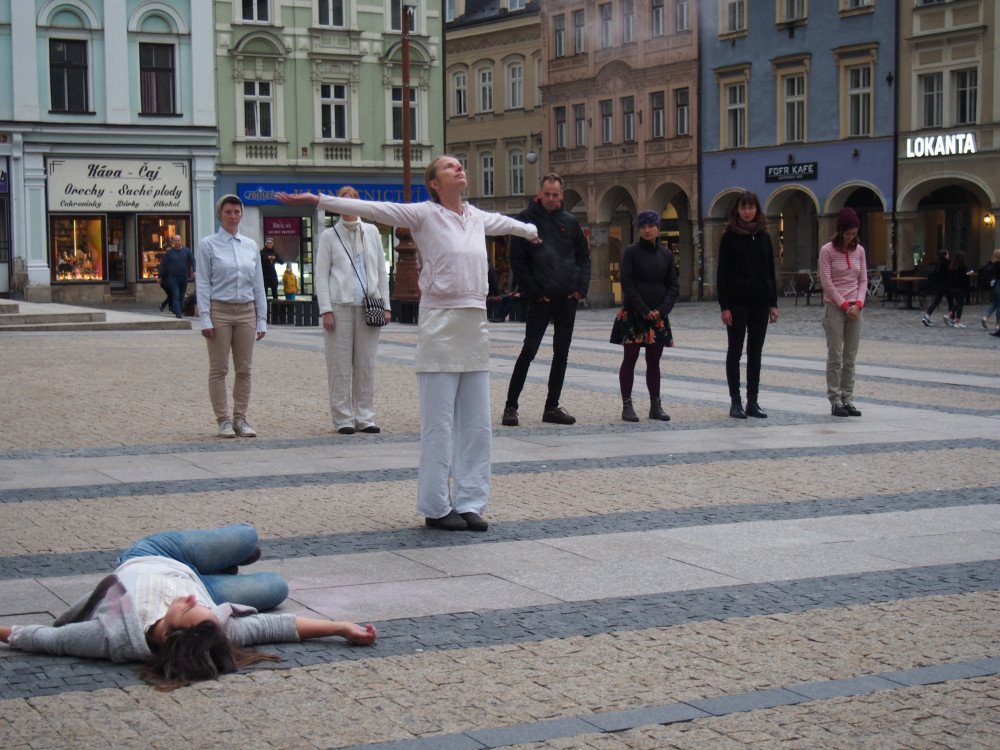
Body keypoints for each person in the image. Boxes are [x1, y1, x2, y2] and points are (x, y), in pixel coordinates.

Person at [275, 156, 539, 533]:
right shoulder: (423, 215)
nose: (460, 168)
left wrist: (531, 230)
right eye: (450, 167)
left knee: (478, 422)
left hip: (474, 325)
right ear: (434, 182)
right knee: (439, 422)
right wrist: (317, 200)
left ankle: (470, 500)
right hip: (440, 326)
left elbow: (509, 224)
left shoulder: (476, 217)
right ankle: (436, 505)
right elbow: (372, 208)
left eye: (461, 165)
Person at [0, 524, 376, 691]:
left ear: (167, 632)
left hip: (150, 558)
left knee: (256, 553)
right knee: (272, 579)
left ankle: (230, 560)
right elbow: (277, 628)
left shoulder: (109, 637)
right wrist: (340, 627)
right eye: (199, 611)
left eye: (188, 609)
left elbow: (43, 637)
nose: (192, 603)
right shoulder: (210, 628)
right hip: (188, 570)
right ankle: (228, 561)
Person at [502, 173, 591, 427]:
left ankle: (552, 407)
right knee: (529, 350)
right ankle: (511, 406)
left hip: (566, 297)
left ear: (561, 195)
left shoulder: (570, 222)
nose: (551, 199)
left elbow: (584, 257)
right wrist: (534, 290)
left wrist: (580, 289)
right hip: (540, 298)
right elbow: (517, 261)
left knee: (561, 353)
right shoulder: (526, 221)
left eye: (555, 194)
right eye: (547, 194)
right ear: (540, 194)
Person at [315, 185, 391, 435]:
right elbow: (321, 275)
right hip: (340, 306)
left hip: (369, 305)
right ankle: (343, 418)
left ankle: (365, 416)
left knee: (366, 364)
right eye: (343, 203)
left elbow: (381, 271)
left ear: (358, 205)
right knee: (339, 365)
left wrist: (386, 305)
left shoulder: (371, 232)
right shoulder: (329, 236)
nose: (348, 208)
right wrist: (326, 309)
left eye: (352, 202)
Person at [196, 194, 267, 439]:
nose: (233, 216)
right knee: (219, 369)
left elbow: (258, 283)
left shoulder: (249, 245)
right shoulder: (209, 244)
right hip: (220, 310)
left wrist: (262, 318)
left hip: (246, 310)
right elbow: (203, 283)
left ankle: (240, 418)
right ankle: (223, 420)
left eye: (237, 211)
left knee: (245, 369)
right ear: (220, 214)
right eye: (228, 211)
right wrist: (205, 317)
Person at [611, 211, 679, 422]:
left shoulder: (666, 255)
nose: (647, 230)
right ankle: (627, 404)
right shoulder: (631, 252)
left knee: (654, 361)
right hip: (634, 313)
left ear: (658, 228)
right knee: (629, 359)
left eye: (651, 226)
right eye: (643, 226)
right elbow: (628, 284)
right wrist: (643, 309)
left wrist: (662, 310)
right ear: (639, 229)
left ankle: (655, 404)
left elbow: (673, 286)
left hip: (658, 315)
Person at [716, 190, 779, 419]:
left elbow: (770, 270)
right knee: (735, 352)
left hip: (760, 303)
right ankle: (736, 401)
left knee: (755, 353)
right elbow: (722, 274)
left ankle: (753, 400)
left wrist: (773, 303)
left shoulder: (764, 237)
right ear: (737, 210)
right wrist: (725, 306)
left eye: (751, 207)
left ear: (757, 210)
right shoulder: (729, 238)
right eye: (743, 208)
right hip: (737, 303)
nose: (747, 211)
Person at [819, 207, 867, 417]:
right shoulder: (827, 251)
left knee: (850, 356)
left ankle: (848, 397)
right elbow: (827, 282)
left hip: (855, 307)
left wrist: (858, 304)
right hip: (835, 308)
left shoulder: (860, 251)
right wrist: (844, 305)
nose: (850, 238)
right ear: (840, 232)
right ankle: (835, 399)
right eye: (847, 234)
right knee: (835, 356)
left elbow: (863, 280)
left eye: (854, 234)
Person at [158, 235, 196, 319]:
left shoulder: (186, 251)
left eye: (178, 241)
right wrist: (159, 276)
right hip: (173, 278)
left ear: (181, 241)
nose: (177, 243)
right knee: (175, 295)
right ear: (173, 242)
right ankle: (178, 313)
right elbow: (163, 265)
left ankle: (180, 311)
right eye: (175, 241)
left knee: (182, 296)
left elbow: (193, 261)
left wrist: (195, 271)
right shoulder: (169, 253)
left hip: (183, 277)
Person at [921, 249, 951, 326]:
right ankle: (951, 319)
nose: (948, 255)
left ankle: (927, 316)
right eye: (947, 254)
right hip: (945, 285)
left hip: (937, 285)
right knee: (951, 301)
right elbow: (949, 275)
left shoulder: (938, 264)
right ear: (945, 255)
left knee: (936, 301)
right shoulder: (947, 263)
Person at [944, 251, 969, 328]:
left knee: (957, 303)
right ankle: (957, 321)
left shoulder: (952, 266)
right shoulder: (962, 267)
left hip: (953, 288)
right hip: (960, 288)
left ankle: (949, 315)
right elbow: (964, 279)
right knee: (960, 304)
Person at [982, 249, 1000, 335]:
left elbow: (985, 271)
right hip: (999, 284)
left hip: (992, 285)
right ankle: (998, 324)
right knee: (999, 304)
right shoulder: (998, 264)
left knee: (995, 304)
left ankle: (986, 317)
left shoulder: (991, 263)